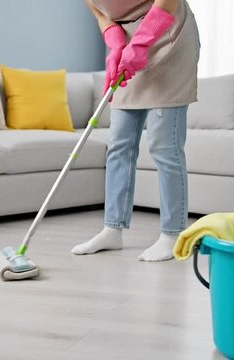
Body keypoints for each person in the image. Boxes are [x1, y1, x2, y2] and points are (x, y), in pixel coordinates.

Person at [72, 0, 200, 262]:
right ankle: (112, 229)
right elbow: (100, 13)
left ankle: (172, 234)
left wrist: (141, 44)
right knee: (119, 144)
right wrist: (115, 37)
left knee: (164, 146)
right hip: (128, 39)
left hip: (167, 34)